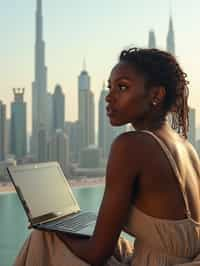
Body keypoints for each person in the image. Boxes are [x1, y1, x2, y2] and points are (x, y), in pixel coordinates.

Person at [14, 48, 200, 266]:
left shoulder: (131, 145)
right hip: (175, 258)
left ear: (156, 95)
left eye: (122, 87)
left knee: (44, 239)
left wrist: (54, 229)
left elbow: (96, 253)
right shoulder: (185, 146)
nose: (109, 97)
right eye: (109, 87)